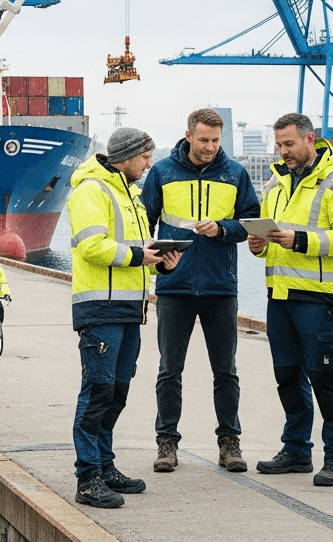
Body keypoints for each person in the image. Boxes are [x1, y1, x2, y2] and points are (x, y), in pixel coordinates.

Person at [139, 108, 260, 474]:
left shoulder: (235, 173)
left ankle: (229, 442)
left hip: (220, 287)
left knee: (226, 371)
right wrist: (159, 263)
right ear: (188, 135)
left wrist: (222, 229)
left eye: (215, 141)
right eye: (204, 139)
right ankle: (166, 443)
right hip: (174, 287)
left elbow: (250, 224)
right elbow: (143, 223)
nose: (210, 147)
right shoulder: (161, 172)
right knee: (168, 370)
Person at [67, 127, 182, 509]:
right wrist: (139, 255)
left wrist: (159, 263)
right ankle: (87, 479)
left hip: (129, 309)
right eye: (146, 156)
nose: (150, 163)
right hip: (100, 309)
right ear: (127, 155)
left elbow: (132, 251)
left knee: (116, 394)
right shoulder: (92, 191)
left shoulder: (128, 192)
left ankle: (104, 464)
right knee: (97, 392)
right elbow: (92, 246)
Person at [247, 113, 333, 486]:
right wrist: (257, 244)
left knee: (325, 377)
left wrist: (299, 240)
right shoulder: (275, 186)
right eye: (278, 145)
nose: (283, 151)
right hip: (278, 296)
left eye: (289, 144)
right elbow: (267, 243)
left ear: (310, 139)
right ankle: (296, 450)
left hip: (318, 298)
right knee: (288, 377)